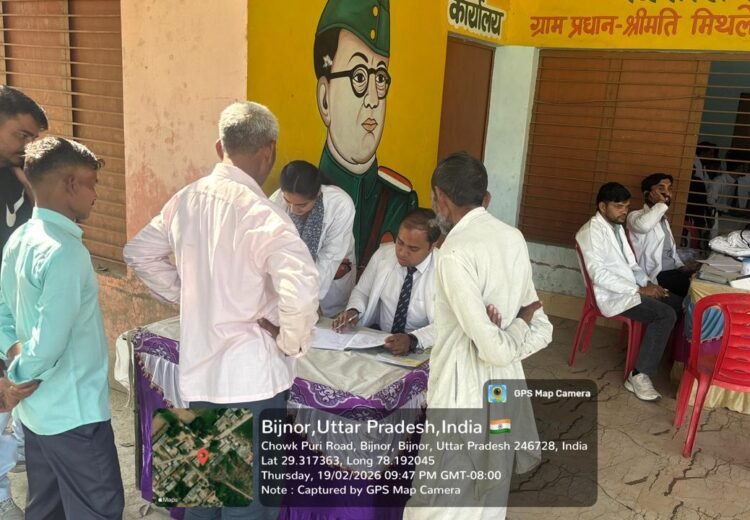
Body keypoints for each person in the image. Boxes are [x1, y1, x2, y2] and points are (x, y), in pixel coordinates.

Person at [124, 101, 319, 519]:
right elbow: (301, 289)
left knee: (200, 498)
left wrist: (187, 295)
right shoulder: (265, 216)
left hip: (196, 378)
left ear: (220, 147)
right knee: (248, 508)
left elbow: (138, 253)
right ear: (269, 150)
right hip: (252, 381)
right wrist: (290, 342)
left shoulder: (184, 200)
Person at [404, 152, 552, 520]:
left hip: (462, 390)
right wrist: (513, 330)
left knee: (442, 499)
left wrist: (507, 333)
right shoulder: (513, 237)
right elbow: (539, 328)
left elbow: (500, 347)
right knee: (490, 491)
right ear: (485, 197)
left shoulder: (454, 252)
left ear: (440, 197)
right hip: (503, 386)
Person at [0, 136, 124, 519]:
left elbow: (4, 314)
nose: (96, 195)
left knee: (47, 508)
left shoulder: (20, 237)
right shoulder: (66, 252)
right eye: (92, 184)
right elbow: (49, 343)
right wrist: (15, 381)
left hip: (38, 415)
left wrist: (12, 359)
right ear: (70, 184)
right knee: (98, 510)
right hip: (75, 417)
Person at [314, 0, 417, 268]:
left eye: (380, 78)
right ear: (325, 100)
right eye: (359, 77)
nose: (373, 99)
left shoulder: (399, 202)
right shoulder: (306, 197)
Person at [577, 182, 681, 401]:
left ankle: (672, 359)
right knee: (665, 314)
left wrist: (649, 284)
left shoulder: (617, 228)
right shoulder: (590, 233)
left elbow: (633, 265)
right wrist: (639, 290)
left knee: (678, 303)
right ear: (602, 206)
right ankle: (639, 375)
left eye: (626, 206)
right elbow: (598, 275)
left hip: (630, 289)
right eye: (618, 206)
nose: (624, 211)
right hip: (612, 295)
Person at [0, 84, 47, 520]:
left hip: (15, 307)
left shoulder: (15, 175)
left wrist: (31, 186)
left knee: (19, 396)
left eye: (35, 138)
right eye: (22, 135)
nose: (29, 145)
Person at [331, 208, 439, 355]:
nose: (402, 252)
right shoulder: (383, 255)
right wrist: (353, 311)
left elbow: (447, 324)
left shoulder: (445, 270)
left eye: (413, 248)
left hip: (422, 349)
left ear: (432, 246)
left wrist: (413, 340)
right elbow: (362, 292)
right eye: (400, 242)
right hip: (381, 341)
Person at [269, 160, 355, 317]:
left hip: (329, 282)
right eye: (288, 201)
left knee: (324, 325)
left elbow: (329, 257)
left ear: (317, 194)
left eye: (301, 205)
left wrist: (307, 300)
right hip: (288, 289)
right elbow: (270, 248)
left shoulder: (340, 205)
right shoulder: (276, 201)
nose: (293, 209)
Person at [627, 173, 695, 298]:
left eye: (670, 188)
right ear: (647, 194)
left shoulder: (663, 219)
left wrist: (681, 266)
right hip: (657, 275)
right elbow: (644, 226)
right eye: (661, 188)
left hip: (672, 271)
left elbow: (671, 252)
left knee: (700, 280)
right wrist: (661, 204)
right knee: (694, 289)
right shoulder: (635, 216)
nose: (667, 193)